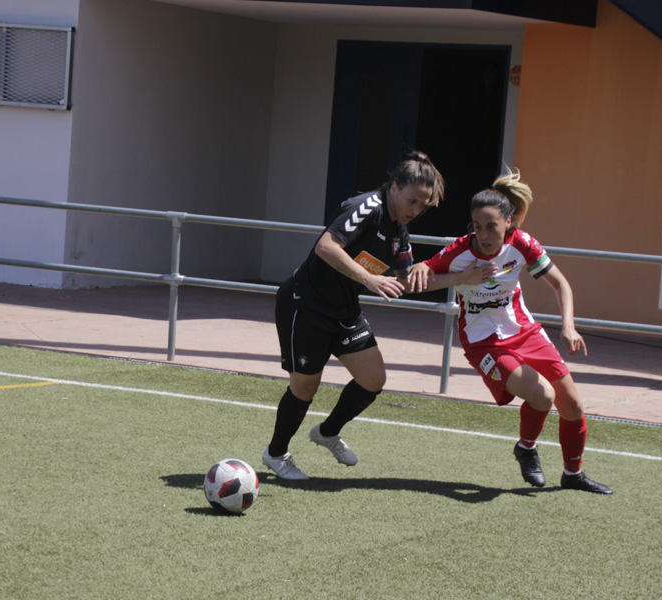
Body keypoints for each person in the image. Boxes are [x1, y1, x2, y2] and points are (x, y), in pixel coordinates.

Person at [409, 169, 612, 494]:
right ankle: (527, 448)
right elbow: (418, 281)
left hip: (525, 331)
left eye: (492, 226)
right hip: (483, 343)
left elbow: (560, 283)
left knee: (572, 405)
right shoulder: (461, 252)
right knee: (542, 395)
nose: (484, 234)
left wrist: (568, 326)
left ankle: (573, 474)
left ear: (510, 223)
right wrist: (447, 274)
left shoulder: (522, 244)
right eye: (477, 226)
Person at [262, 151, 445, 480]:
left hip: (344, 312)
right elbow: (326, 246)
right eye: (413, 200)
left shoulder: (398, 232)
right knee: (305, 387)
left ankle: (327, 432)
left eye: (423, 205)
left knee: (373, 379)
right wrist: (369, 278)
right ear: (393, 187)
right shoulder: (366, 207)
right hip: (306, 305)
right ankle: (276, 454)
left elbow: (407, 281)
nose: (416, 210)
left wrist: (462, 278)